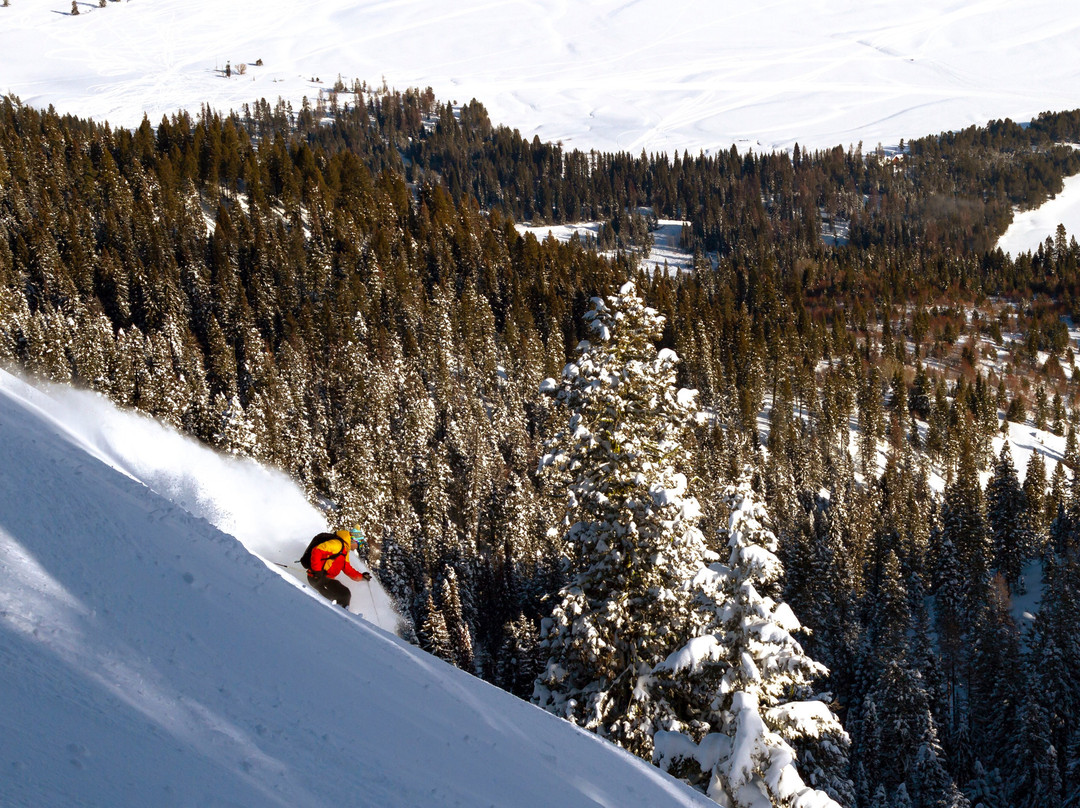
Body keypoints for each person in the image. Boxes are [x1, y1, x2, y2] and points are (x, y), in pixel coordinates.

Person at [304, 527, 370, 608]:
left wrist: (362, 577)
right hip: (317, 578)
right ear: (353, 540)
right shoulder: (337, 544)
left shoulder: (344, 550)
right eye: (359, 544)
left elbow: (347, 568)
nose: (358, 547)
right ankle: (335, 616)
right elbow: (317, 550)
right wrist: (317, 571)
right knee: (341, 596)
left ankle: (341, 614)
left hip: (325, 579)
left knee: (345, 594)